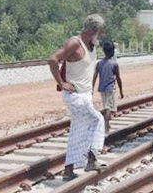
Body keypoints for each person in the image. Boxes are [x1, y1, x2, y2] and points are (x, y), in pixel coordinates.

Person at [48, 14, 108, 181]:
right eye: (100, 33)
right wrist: (61, 83)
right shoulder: (75, 43)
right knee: (98, 120)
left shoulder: (91, 45)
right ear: (91, 31)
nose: (101, 36)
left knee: (79, 130)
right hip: (75, 95)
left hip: (85, 95)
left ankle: (68, 170)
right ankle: (92, 159)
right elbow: (53, 60)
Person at [93, 41, 124, 133]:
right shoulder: (114, 64)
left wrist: (92, 87)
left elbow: (95, 76)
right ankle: (106, 127)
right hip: (110, 89)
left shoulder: (99, 64)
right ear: (112, 52)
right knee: (109, 108)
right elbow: (118, 78)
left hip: (102, 89)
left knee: (106, 106)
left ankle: (107, 124)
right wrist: (121, 91)